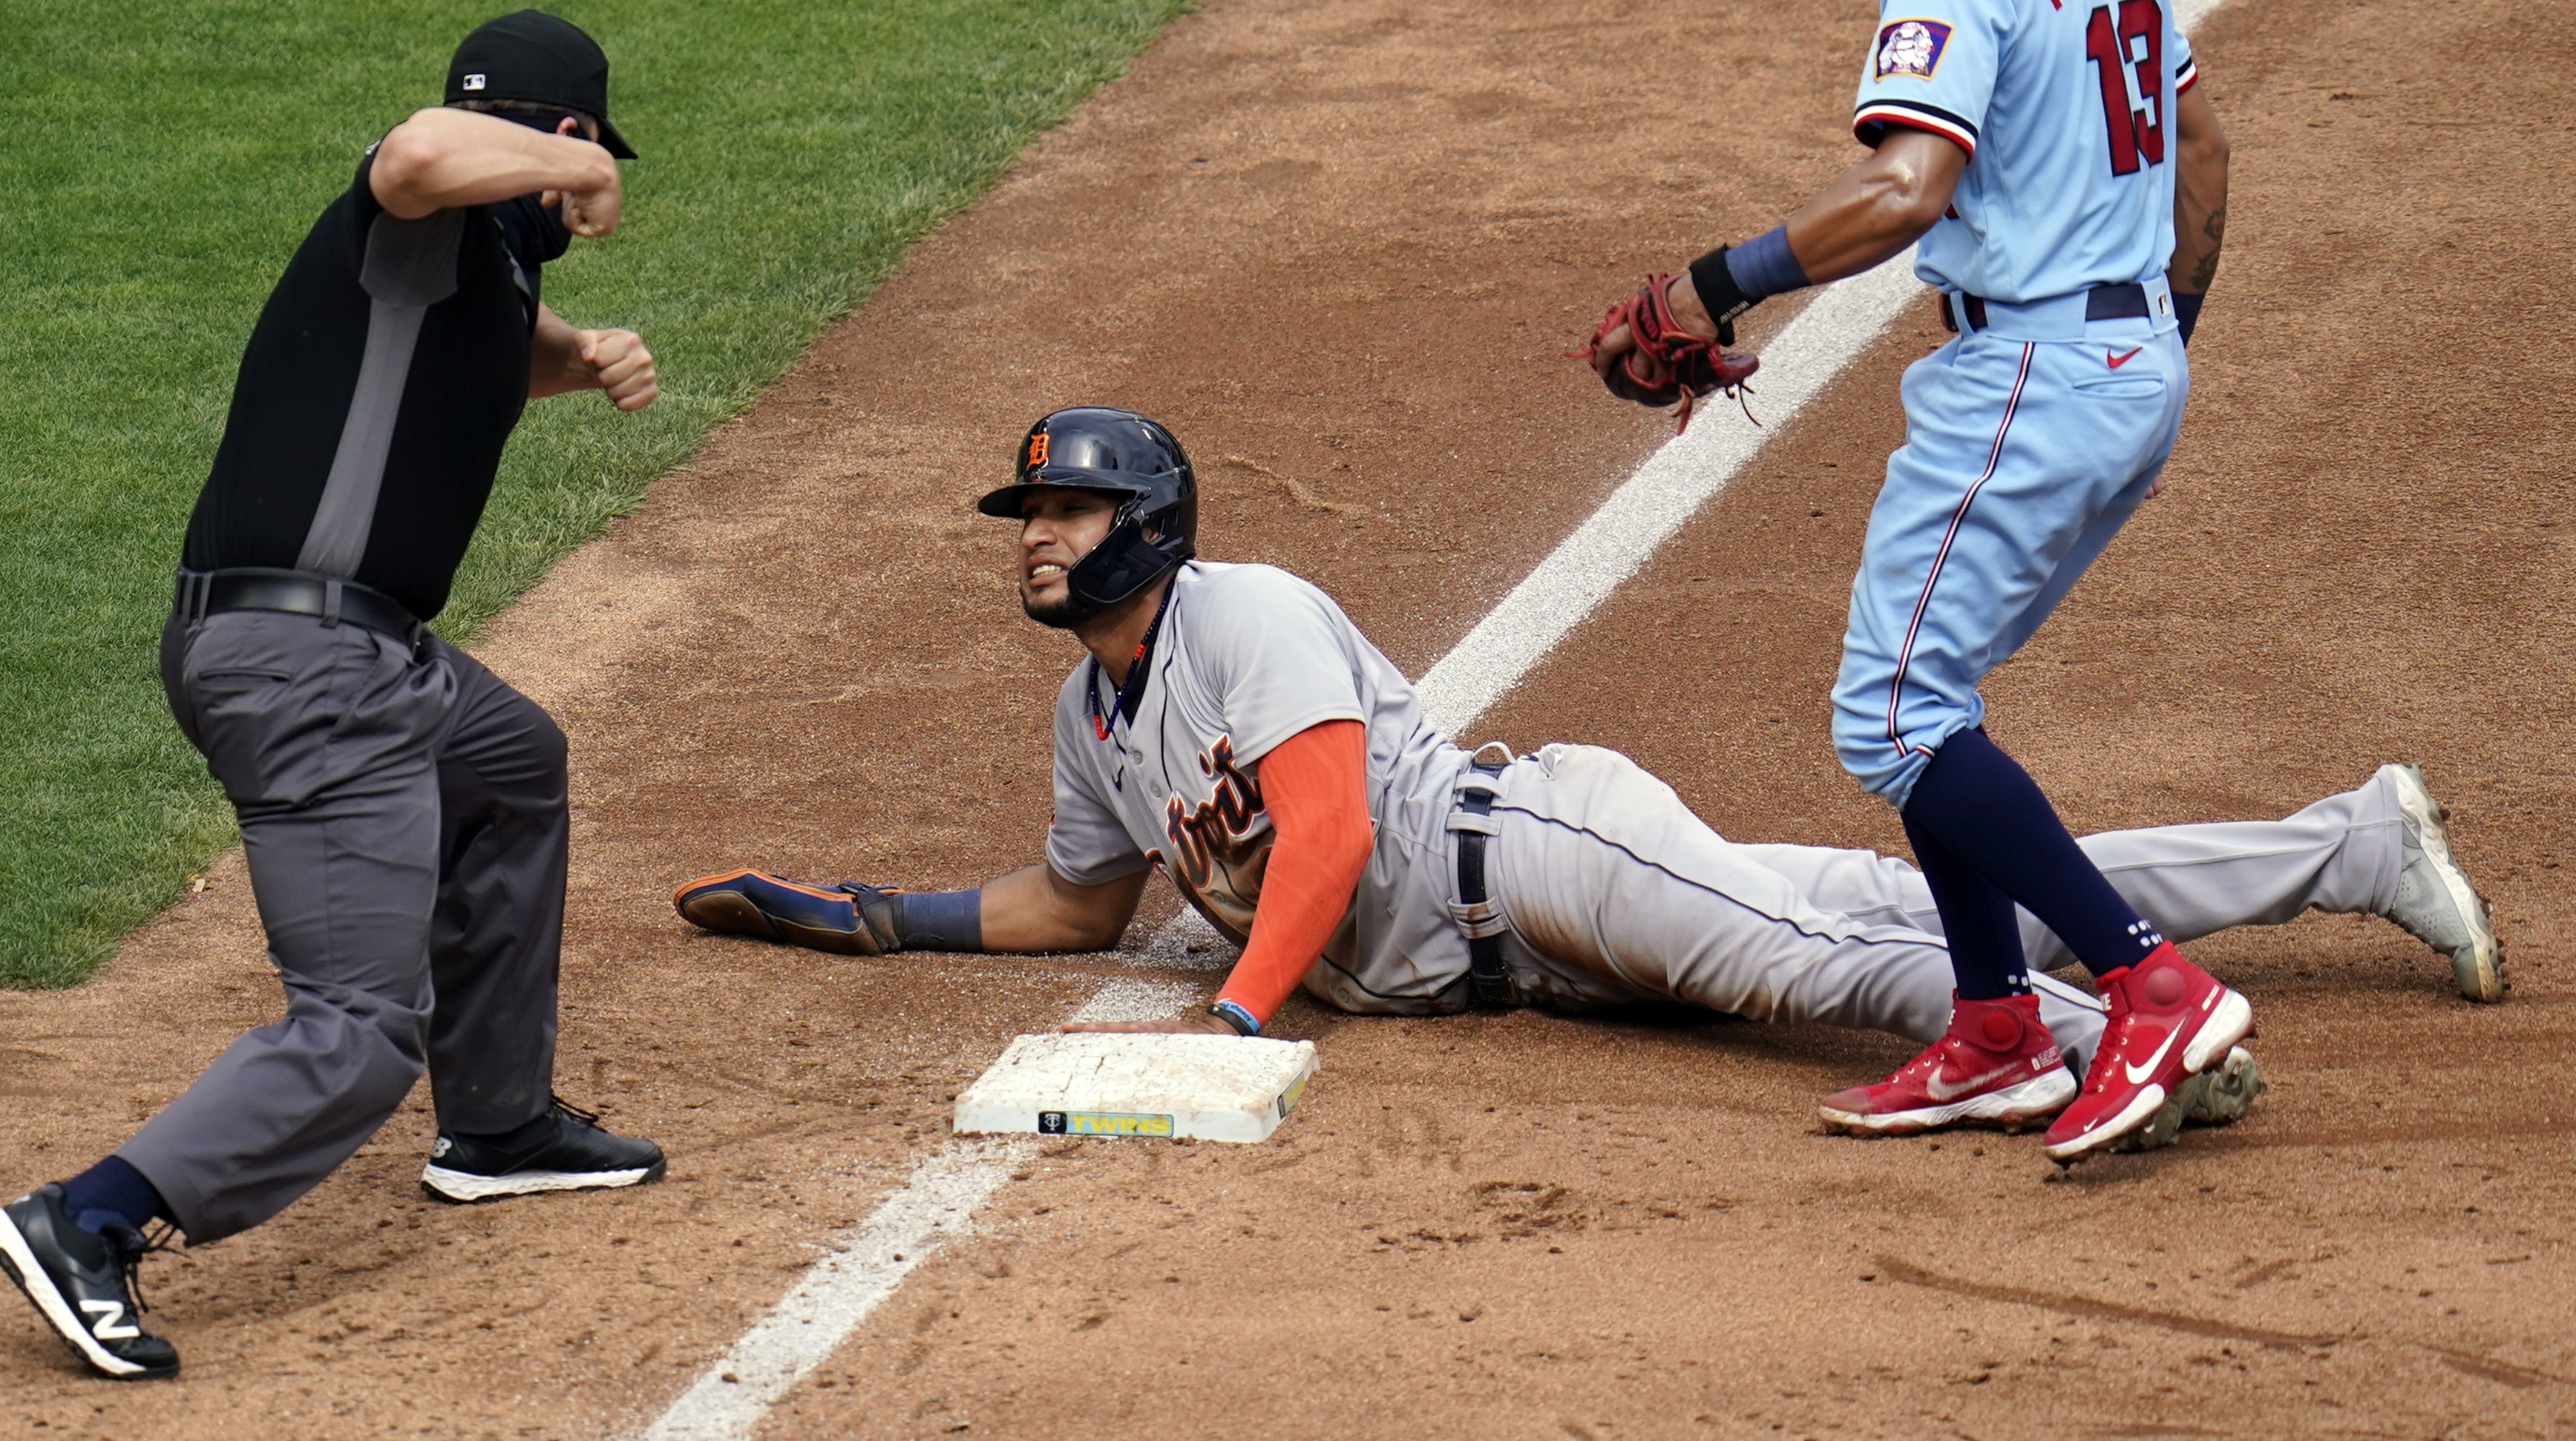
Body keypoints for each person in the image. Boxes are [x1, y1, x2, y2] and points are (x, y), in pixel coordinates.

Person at [1584, 0, 2504, 1161]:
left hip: (2027, 380)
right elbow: (2200, 139)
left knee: (1887, 715)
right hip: (2121, 367)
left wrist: (1712, 285)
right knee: (1931, 693)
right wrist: (2156, 342)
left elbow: (1902, 192)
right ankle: (1999, 1024)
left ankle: (2149, 983)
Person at [672, 408, 2502, 1152]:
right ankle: (2347, 842)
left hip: (1533, 855)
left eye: (1061, 512)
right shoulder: (1095, 713)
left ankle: (2131, 1023)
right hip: (1525, 948)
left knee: (1816, 968)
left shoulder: (1249, 616)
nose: (1034, 539)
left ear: (1145, 526)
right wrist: (877, 922)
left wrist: (1230, 1025)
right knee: (1894, 899)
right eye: (1028, 516)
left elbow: (1321, 836)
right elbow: (1080, 902)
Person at [0, 10, 672, 1381]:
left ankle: (498, 1125)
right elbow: (415, 155)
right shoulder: (421, 207)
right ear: (560, 134)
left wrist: (580, 352)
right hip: (307, 674)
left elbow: (486, 350)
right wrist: (575, 168)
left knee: (512, 759)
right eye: (577, 154)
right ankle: (92, 1221)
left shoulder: (465, 270)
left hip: (368, 658)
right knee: (359, 1025)